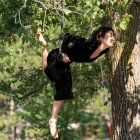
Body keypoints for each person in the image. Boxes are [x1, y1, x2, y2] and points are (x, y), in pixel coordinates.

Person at [36, 26, 115, 139]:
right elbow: (67, 36)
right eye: (110, 34)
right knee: (63, 87)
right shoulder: (89, 44)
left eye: (113, 35)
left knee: (49, 74)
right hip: (57, 57)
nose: (113, 37)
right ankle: (53, 120)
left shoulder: (105, 49)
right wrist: (62, 53)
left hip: (66, 62)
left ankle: (44, 46)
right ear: (101, 37)